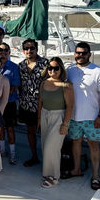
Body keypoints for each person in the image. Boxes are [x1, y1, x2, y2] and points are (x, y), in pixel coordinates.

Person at [63, 42, 100, 191]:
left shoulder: (99, 71)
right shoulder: (69, 69)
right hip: (74, 117)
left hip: (92, 118)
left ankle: (95, 176)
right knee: (75, 143)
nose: (80, 55)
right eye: (78, 53)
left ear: (89, 54)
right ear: (74, 54)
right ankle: (76, 169)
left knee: (93, 145)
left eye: (83, 53)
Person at [38, 57, 74, 188]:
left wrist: (65, 124)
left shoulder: (66, 85)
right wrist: (38, 120)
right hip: (44, 114)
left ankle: (54, 177)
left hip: (59, 117)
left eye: (56, 68)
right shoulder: (43, 83)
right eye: (50, 68)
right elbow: (40, 102)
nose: (52, 70)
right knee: (44, 145)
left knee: (51, 148)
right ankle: (47, 173)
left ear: (61, 69)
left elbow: (70, 106)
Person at [18, 38, 48, 167]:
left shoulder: (45, 63)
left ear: (36, 49)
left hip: (42, 105)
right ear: (23, 50)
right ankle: (34, 156)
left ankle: (48, 160)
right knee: (30, 132)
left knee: (46, 134)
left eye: (32, 48)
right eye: (26, 48)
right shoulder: (21, 65)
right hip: (26, 104)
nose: (29, 50)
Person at [0, 42, 20, 165]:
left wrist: (4, 95)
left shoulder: (14, 67)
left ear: (9, 52)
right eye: (1, 50)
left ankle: (12, 154)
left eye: (6, 50)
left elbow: (15, 86)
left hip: (9, 103)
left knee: (10, 128)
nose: (3, 53)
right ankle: (2, 150)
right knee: (0, 128)